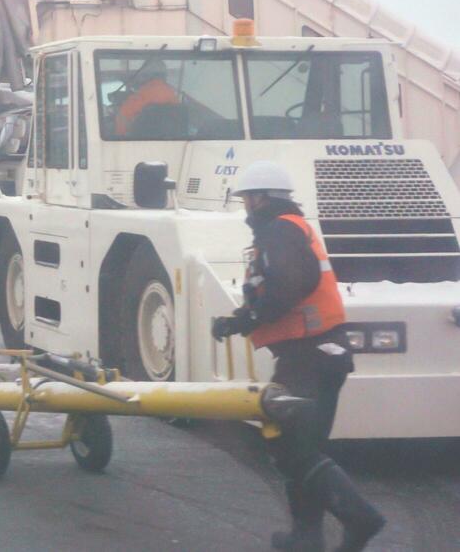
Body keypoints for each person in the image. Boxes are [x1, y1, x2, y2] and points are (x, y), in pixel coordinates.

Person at [211, 161, 384, 552]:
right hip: (323, 353)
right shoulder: (291, 229)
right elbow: (287, 285)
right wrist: (241, 318)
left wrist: (246, 319)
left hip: (309, 354)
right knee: (303, 448)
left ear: (259, 199)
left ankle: (359, 518)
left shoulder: (281, 231)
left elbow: (289, 284)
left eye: (246, 200)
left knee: (289, 447)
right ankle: (306, 537)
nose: (244, 209)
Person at [113, 59, 179, 135]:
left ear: (147, 75)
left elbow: (123, 117)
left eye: (143, 74)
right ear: (164, 75)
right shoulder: (172, 94)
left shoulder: (142, 94)